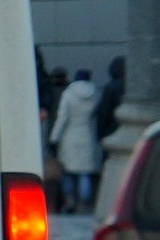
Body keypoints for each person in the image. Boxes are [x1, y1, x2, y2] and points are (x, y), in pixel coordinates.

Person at [50, 69, 102, 213]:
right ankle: (85, 203)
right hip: (88, 136)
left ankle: (70, 201)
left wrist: (54, 137)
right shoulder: (96, 94)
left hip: (69, 136)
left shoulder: (68, 94)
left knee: (68, 172)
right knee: (85, 173)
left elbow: (62, 118)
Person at [94, 55, 126, 142]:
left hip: (111, 130)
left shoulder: (110, 87)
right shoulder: (133, 87)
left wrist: (100, 133)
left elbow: (104, 111)